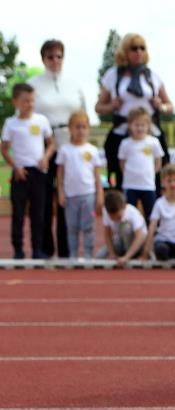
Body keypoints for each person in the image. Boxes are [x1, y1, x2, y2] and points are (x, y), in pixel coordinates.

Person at [29, 39, 87, 257]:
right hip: (43, 147)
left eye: (59, 56)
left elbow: (82, 114)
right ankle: (44, 248)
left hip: (69, 144)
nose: (55, 61)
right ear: (43, 59)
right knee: (43, 198)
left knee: (67, 197)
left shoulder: (74, 85)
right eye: (50, 57)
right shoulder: (33, 84)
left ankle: (66, 249)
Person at [95, 33, 173, 191]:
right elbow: (98, 107)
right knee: (121, 176)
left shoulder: (152, 76)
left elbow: (170, 106)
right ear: (125, 52)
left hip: (150, 132)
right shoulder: (113, 75)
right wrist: (112, 106)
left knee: (156, 175)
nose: (138, 52)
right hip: (122, 133)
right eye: (134, 48)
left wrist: (161, 106)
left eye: (142, 48)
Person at [2, 83, 55, 259]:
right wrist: (15, 166)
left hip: (38, 172)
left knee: (38, 213)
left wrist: (46, 157)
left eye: (32, 101)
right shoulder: (11, 123)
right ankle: (18, 249)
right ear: (15, 102)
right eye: (25, 101)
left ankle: (37, 249)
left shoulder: (41, 120)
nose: (30, 104)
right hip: (20, 172)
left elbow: (51, 144)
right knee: (18, 213)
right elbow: (4, 149)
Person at [55, 110, 103, 259]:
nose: (80, 131)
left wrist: (99, 195)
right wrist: (60, 193)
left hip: (88, 194)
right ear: (70, 129)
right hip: (70, 196)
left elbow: (97, 176)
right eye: (77, 127)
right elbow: (60, 174)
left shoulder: (92, 150)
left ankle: (88, 254)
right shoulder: (64, 150)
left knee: (88, 227)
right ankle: (73, 255)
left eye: (84, 127)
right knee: (72, 228)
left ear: (88, 129)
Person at [118, 108, 164, 221]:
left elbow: (158, 161)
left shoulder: (153, 142)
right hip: (130, 185)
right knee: (129, 216)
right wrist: (130, 174)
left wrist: (151, 173)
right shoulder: (125, 143)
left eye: (142, 125)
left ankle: (151, 233)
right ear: (130, 125)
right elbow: (122, 163)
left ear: (148, 126)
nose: (139, 128)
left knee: (151, 215)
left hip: (148, 185)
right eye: (136, 125)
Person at [100, 190, 148, 266]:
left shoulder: (132, 213)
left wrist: (126, 257)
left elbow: (140, 236)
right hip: (120, 241)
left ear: (124, 207)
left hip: (136, 244)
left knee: (125, 227)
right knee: (100, 256)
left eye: (118, 217)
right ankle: (121, 254)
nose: (115, 220)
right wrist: (112, 253)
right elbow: (107, 233)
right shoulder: (105, 211)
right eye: (112, 218)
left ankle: (130, 255)